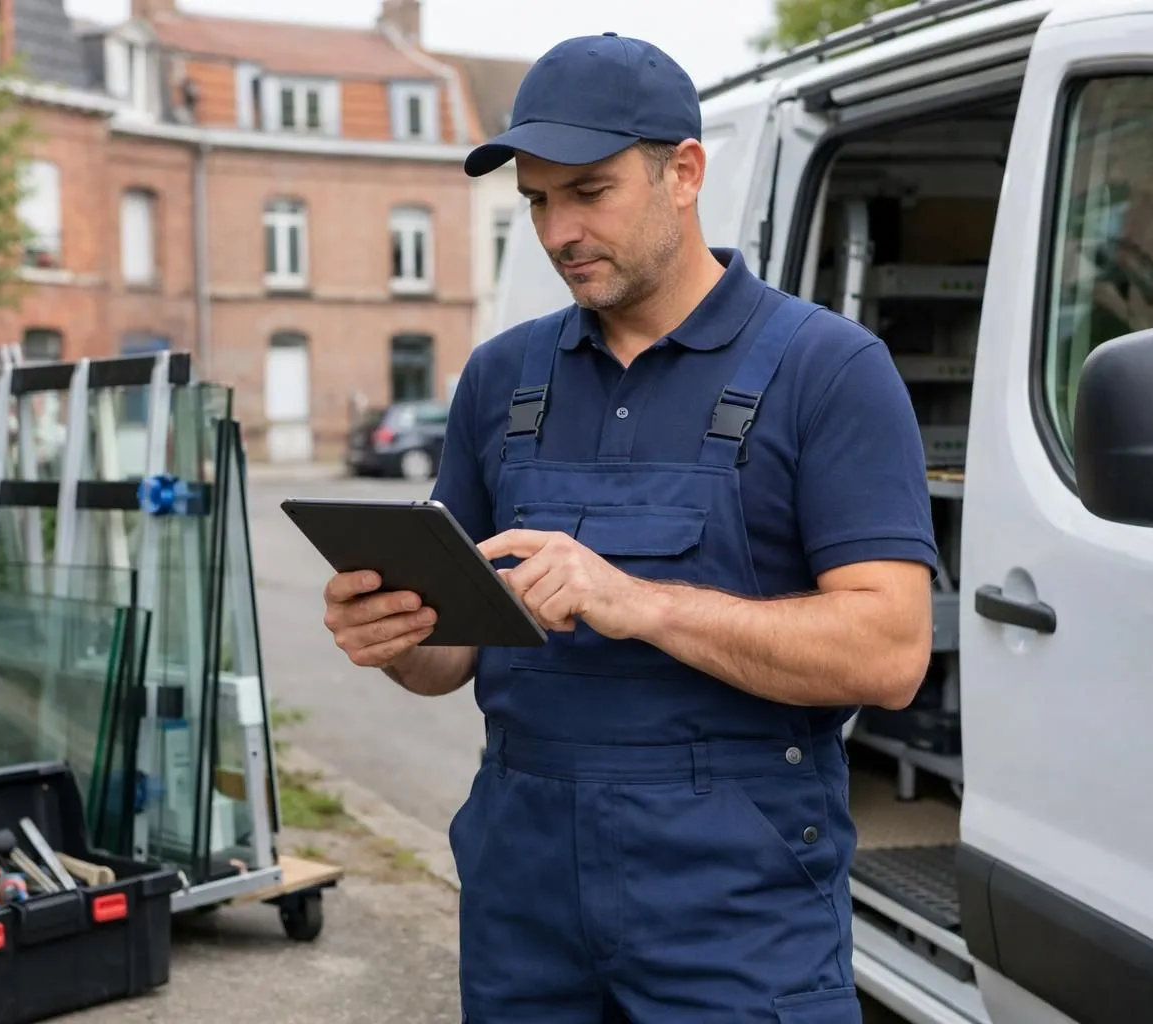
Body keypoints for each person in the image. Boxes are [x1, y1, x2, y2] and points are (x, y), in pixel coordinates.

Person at [321, 31, 936, 1023]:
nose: (558, 228)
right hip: (523, 905)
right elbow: (453, 654)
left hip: (734, 917)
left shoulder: (828, 370)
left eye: (590, 191)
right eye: (537, 200)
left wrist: (637, 601)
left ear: (683, 173)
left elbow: (890, 650)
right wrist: (395, 637)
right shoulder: (501, 380)